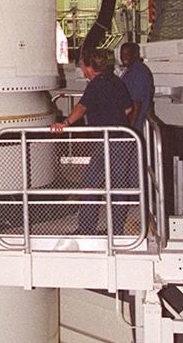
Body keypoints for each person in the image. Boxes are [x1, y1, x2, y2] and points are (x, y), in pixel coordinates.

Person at [51, 49, 133, 236]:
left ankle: (86, 228)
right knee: (118, 185)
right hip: (122, 138)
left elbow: (82, 106)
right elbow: (128, 109)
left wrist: (65, 123)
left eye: (82, 65)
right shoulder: (115, 81)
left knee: (90, 182)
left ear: (89, 68)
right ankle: (117, 229)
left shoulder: (96, 85)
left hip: (108, 141)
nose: (81, 68)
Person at [120, 41, 154, 135]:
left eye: (127, 54)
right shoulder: (130, 71)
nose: (124, 57)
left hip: (132, 127)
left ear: (135, 54)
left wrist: (130, 130)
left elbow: (136, 103)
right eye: (122, 54)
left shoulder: (139, 72)